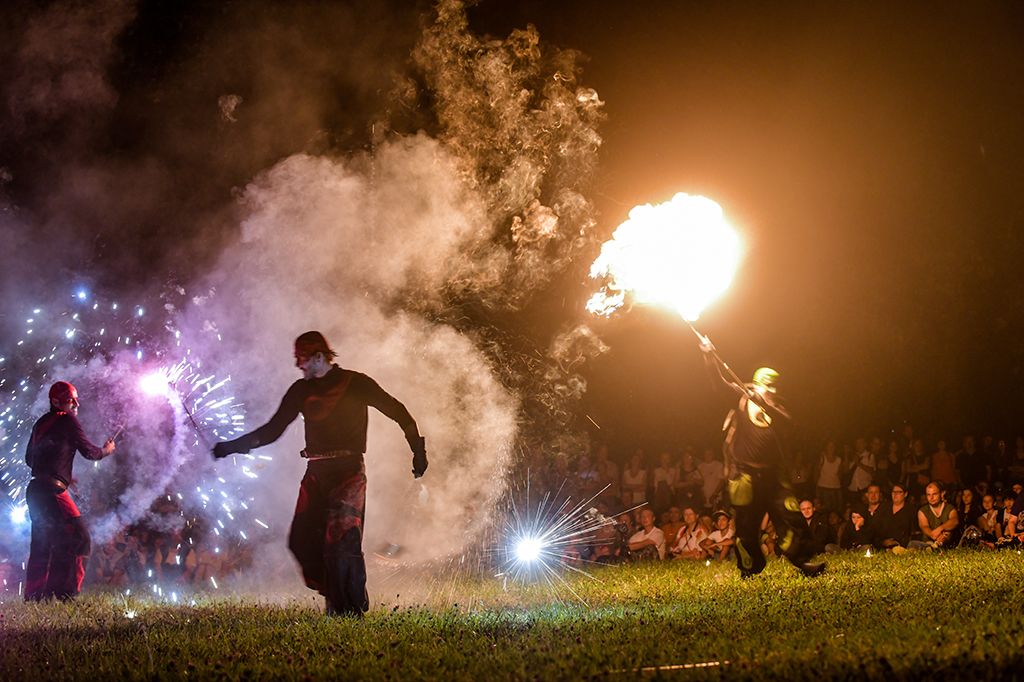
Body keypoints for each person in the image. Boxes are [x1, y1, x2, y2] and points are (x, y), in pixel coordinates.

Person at [212, 331, 427, 616]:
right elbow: (273, 430)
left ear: (318, 356)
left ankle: (347, 610)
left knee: (341, 539)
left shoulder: (356, 383)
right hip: (316, 472)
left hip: (348, 472)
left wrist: (418, 450)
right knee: (301, 540)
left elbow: (397, 410)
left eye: (301, 359)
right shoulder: (301, 391)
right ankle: (343, 594)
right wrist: (232, 447)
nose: (298, 366)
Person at [699, 339, 824, 578]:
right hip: (745, 474)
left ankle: (803, 561)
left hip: (773, 476)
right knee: (746, 526)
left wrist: (765, 402)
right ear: (758, 384)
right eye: (767, 388)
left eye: (773, 389)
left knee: (790, 516)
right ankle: (749, 569)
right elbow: (718, 385)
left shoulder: (779, 405)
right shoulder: (743, 395)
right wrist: (708, 356)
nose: (771, 392)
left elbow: (788, 423)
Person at [24, 381, 116, 601]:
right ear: (57, 402)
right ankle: (66, 594)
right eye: (70, 400)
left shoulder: (41, 423)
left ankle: (36, 597)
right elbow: (90, 452)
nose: (75, 404)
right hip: (52, 492)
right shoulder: (68, 420)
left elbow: (30, 460)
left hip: (35, 490)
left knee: (43, 543)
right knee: (80, 538)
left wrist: (60, 472)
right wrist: (106, 450)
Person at [911, 482, 959, 550]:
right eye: (928, 495)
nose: (931, 497)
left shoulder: (949, 508)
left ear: (942, 494)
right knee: (913, 544)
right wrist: (934, 535)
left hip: (946, 544)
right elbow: (924, 527)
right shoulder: (922, 510)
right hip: (927, 544)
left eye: (934, 494)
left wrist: (940, 529)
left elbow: (954, 521)